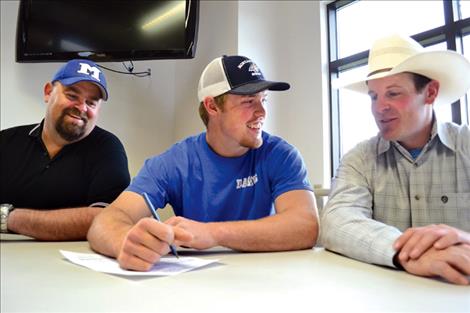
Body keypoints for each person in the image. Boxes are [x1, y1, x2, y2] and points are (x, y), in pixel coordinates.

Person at [88, 55, 319, 271]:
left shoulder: (281, 155)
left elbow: (305, 226)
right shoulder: (175, 162)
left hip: (264, 277)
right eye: (249, 101)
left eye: (264, 100)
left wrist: (212, 233)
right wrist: (126, 244)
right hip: (193, 285)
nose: (262, 112)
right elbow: (106, 221)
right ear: (212, 106)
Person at [320, 34, 470, 285]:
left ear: (430, 92)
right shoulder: (360, 158)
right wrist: (403, 251)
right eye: (374, 96)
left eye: (393, 93)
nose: (380, 108)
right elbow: (336, 220)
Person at [0, 59, 130, 240]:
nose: (81, 107)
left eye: (91, 102)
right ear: (48, 92)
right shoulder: (6, 142)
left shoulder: (108, 149)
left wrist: (8, 219)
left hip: (72, 264)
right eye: (72, 95)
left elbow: (109, 219)